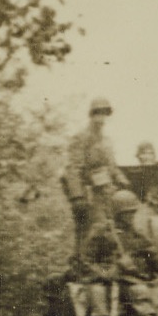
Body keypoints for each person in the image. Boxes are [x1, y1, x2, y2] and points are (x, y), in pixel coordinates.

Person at [62, 98, 130, 262]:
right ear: (91, 115)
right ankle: (81, 265)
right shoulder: (81, 137)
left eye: (105, 114)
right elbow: (74, 167)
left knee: (109, 226)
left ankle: (104, 263)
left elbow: (112, 166)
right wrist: (77, 196)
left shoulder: (106, 141)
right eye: (98, 113)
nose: (101, 118)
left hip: (105, 191)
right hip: (88, 192)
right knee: (88, 230)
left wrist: (121, 179)